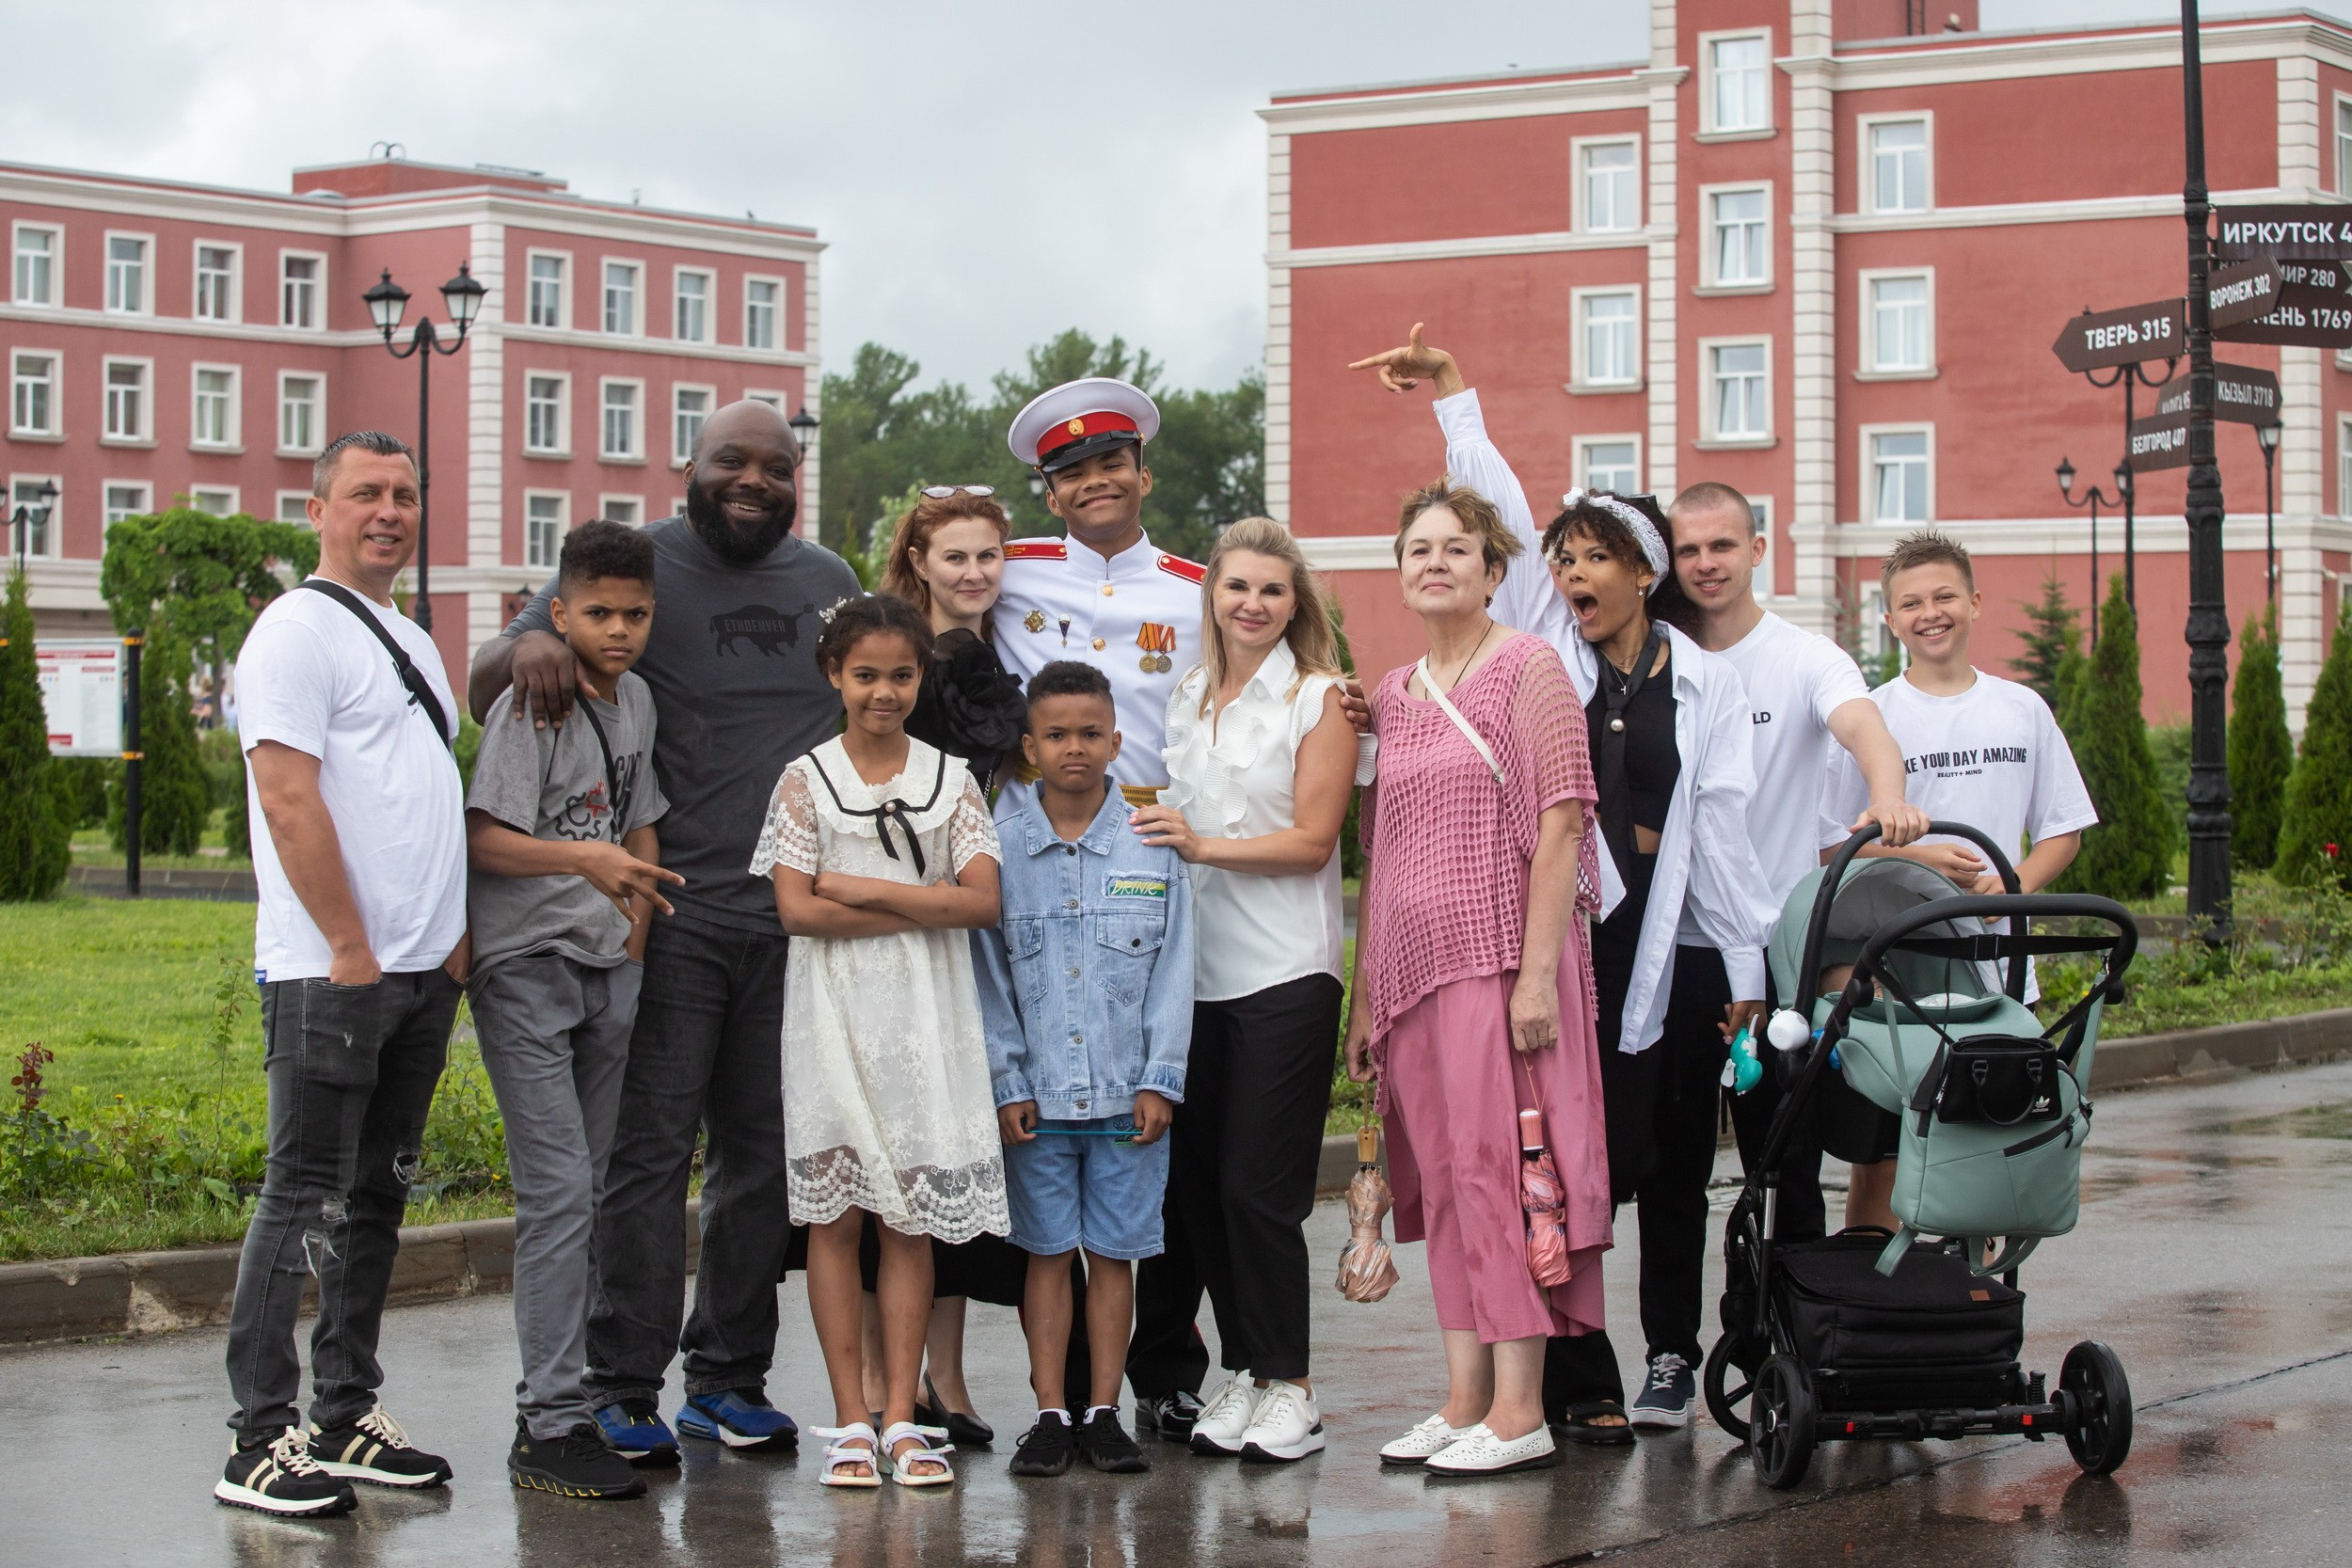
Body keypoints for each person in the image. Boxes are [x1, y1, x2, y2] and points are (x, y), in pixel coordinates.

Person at [1350, 328, 1778, 1438]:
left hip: (1666, 948)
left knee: (1668, 1158)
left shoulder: (1707, 686)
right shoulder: (1551, 652)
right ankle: (1572, 1383)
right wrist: (1452, 396)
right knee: (1565, 1160)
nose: (1574, 575)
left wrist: (1743, 969)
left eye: (1596, 558)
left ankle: (1670, 1352)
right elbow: (1486, 508)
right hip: (1562, 941)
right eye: (1565, 559)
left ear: (1647, 571)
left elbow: (1721, 835)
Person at [469, 400, 860, 1463]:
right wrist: (535, 643)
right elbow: (481, 681)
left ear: (794, 476)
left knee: (762, 1160)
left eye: (774, 466)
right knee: (645, 1159)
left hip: (789, 918)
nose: (753, 479)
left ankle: (727, 1378)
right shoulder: (636, 568)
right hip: (667, 916)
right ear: (690, 464)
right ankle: (619, 1380)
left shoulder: (828, 582)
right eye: (731, 460)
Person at [216, 431, 469, 1517]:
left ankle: (344, 1412)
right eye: (365, 492)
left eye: (405, 494)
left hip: (419, 968)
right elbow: (286, 795)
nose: (389, 510)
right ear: (315, 508)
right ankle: (258, 1438)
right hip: (335, 971)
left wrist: (445, 938)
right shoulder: (293, 630)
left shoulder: (410, 632)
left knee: (377, 1194)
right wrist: (350, 944)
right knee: (303, 1196)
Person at [1341, 477, 1610, 1480]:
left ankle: (1519, 1407)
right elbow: (1381, 851)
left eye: (1458, 547)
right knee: (1444, 1185)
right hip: (1412, 979)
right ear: (1400, 572)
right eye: (1419, 549)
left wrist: (1537, 976)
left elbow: (1561, 821)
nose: (1436, 562)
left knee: (1505, 1176)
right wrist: (1366, 998)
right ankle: (1461, 1398)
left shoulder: (1529, 667)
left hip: (1501, 966)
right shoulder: (1394, 693)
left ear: (1494, 571)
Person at [993, 378, 1213, 1440]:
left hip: (1152, 853)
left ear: (1143, 473)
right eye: (1070, 473)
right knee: (1050, 1231)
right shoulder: (1012, 574)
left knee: (1144, 1208)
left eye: (1109, 465)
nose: (1094, 484)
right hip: (1035, 855)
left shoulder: (1195, 588)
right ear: (1048, 494)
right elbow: (919, 578)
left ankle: (1154, 1385)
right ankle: (1057, 1406)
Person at [1126, 516, 1372, 1464]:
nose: (1254, 604)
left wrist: (1199, 843)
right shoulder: (1188, 694)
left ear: (1295, 601)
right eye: (1238, 587)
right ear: (1213, 595)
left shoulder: (1320, 700)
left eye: (1272, 589)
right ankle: (1251, 1370)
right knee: (1198, 1194)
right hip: (1193, 977)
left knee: (1256, 1189)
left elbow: (1314, 842)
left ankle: (1294, 1388)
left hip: (1283, 973)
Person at [753, 593, 1009, 1488]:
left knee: (910, 1215)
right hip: (831, 1016)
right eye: (866, 674)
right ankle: (852, 1416)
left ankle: (905, 1414)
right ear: (835, 675)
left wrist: (861, 891)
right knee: (836, 1215)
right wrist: (918, 904)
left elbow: (982, 901)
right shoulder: (805, 779)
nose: (884, 691)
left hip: (928, 1020)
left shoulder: (952, 778)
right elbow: (795, 910)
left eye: (901, 675)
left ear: (920, 678)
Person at [465, 521, 682, 1501]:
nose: (619, 629)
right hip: (525, 967)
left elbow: (641, 816)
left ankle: (578, 1399)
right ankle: (547, 1421)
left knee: (588, 1190)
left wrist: (631, 935)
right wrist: (585, 861)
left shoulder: (635, 698)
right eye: (598, 612)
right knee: (555, 1193)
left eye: (635, 613)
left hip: (608, 968)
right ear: (558, 613)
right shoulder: (533, 700)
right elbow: (486, 839)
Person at [1665, 482, 1926, 1250]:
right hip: (1674, 955)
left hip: (1781, 952)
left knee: (1787, 1166)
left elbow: (1862, 723)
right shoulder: (1652, 657)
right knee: (1673, 1171)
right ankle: (1672, 1352)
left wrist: (1888, 797)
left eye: (1722, 545)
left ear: (1757, 549)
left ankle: (1799, 1337)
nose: (1706, 563)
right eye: (1688, 549)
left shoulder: (1806, 656)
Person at [1821, 531, 2095, 1231]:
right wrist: (1921, 862)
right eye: (1910, 602)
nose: (1929, 612)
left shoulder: (2021, 708)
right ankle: (1877, 1304)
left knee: (1989, 1143)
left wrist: (2012, 888)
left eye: (1944, 596)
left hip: (2000, 975)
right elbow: (1831, 846)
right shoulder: (1872, 716)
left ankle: (1972, 1304)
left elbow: (2063, 825)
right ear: (1889, 619)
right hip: (1902, 976)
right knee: (1883, 1154)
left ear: (1974, 602)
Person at [975, 661, 1195, 1479]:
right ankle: (1048, 1412)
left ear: (1117, 740)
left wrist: (1159, 1079)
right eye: (1057, 735)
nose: (1075, 748)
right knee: (1045, 1254)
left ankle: (1103, 1411)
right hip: (1036, 1102)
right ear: (1030, 746)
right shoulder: (999, 847)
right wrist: (1008, 1081)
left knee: (1113, 1255)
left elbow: (1176, 966)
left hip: (1126, 1098)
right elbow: (987, 974)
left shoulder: (1151, 845)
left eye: (1090, 733)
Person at [882, 484, 1027, 793]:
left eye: (987, 556)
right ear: (920, 563)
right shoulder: (894, 660)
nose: (974, 574)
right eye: (955, 559)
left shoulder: (1009, 660)